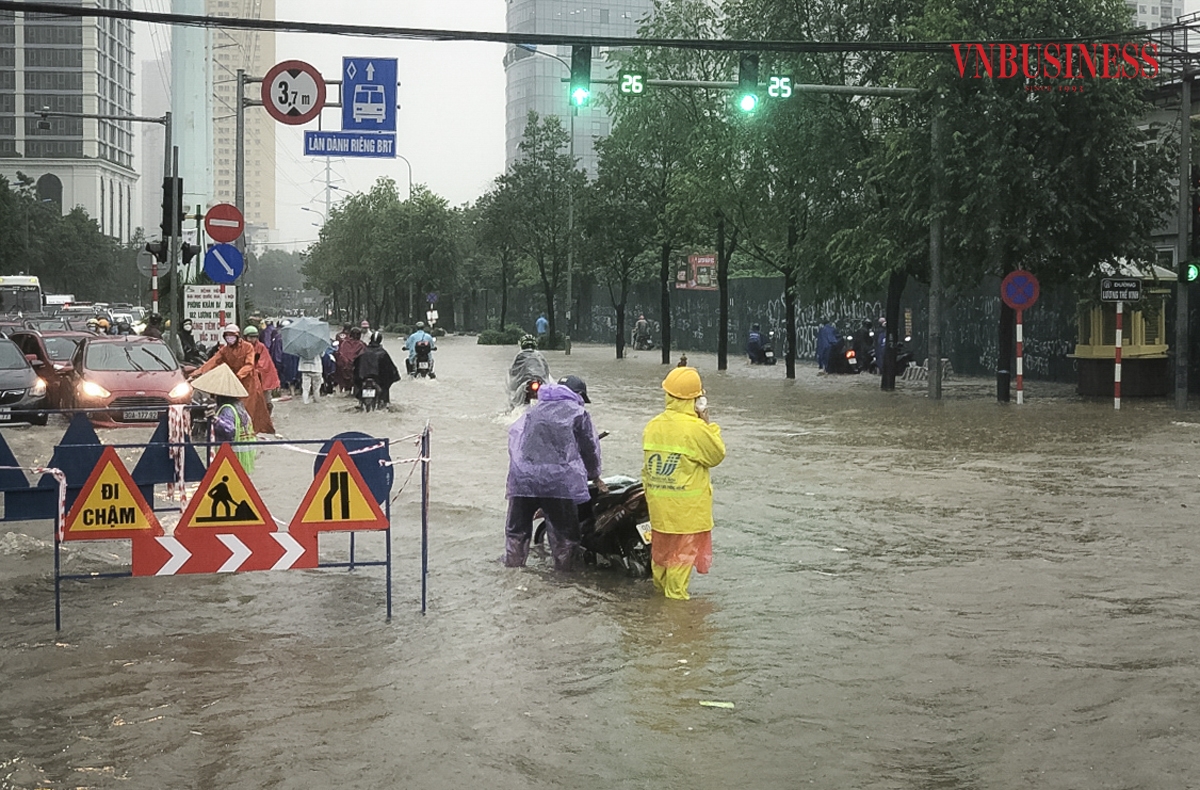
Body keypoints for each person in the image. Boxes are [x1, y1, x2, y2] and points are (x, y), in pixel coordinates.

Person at [642, 367, 726, 600]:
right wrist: (708, 424)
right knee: (679, 568)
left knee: (660, 562)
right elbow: (717, 455)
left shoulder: (653, 425)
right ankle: (675, 616)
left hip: (659, 511)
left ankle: (657, 609)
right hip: (687, 515)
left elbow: (647, 470)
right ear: (695, 399)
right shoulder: (696, 429)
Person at [504, 380, 604, 571]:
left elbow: (518, 443)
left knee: (516, 534)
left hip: (522, 481)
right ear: (578, 395)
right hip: (558, 484)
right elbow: (589, 448)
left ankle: (511, 575)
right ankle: (564, 581)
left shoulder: (532, 412)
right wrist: (594, 475)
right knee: (565, 538)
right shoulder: (578, 413)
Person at [190, 324, 275, 436]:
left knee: (249, 408)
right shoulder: (224, 350)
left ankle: (248, 431)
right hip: (231, 382)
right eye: (227, 336)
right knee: (229, 406)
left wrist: (238, 376)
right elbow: (212, 362)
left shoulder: (248, 347)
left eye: (232, 335)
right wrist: (196, 373)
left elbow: (249, 365)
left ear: (238, 336)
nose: (230, 338)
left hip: (248, 383)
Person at [190, 363, 256, 472]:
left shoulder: (227, 410)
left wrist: (214, 419)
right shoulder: (239, 406)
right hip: (245, 455)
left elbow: (229, 430)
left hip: (232, 455)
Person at [354, 331, 401, 405]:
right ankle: (384, 402)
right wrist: (395, 375)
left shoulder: (363, 351)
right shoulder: (383, 353)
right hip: (379, 380)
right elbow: (390, 368)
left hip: (363, 378)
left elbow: (355, 366)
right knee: (385, 390)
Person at [508, 334, 551, 410]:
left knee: (514, 401)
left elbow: (513, 371)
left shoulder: (520, 355)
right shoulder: (539, 355)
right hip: (540, 381)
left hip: (526, 383)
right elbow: (546, 370)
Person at [243, 325, 280, 399]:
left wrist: (255, 370)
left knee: (266, 400)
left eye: (254, 337)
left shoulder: (261, 347)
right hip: (246, 378)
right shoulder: (242, 347)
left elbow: (265, 363)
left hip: (261, 378)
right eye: (250, 337)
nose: (252, 339)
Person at [336, 327, 366, 392]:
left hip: (344, 368)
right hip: (355, 369)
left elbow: (340, 354)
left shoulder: (344, 343)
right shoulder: (362, 345)